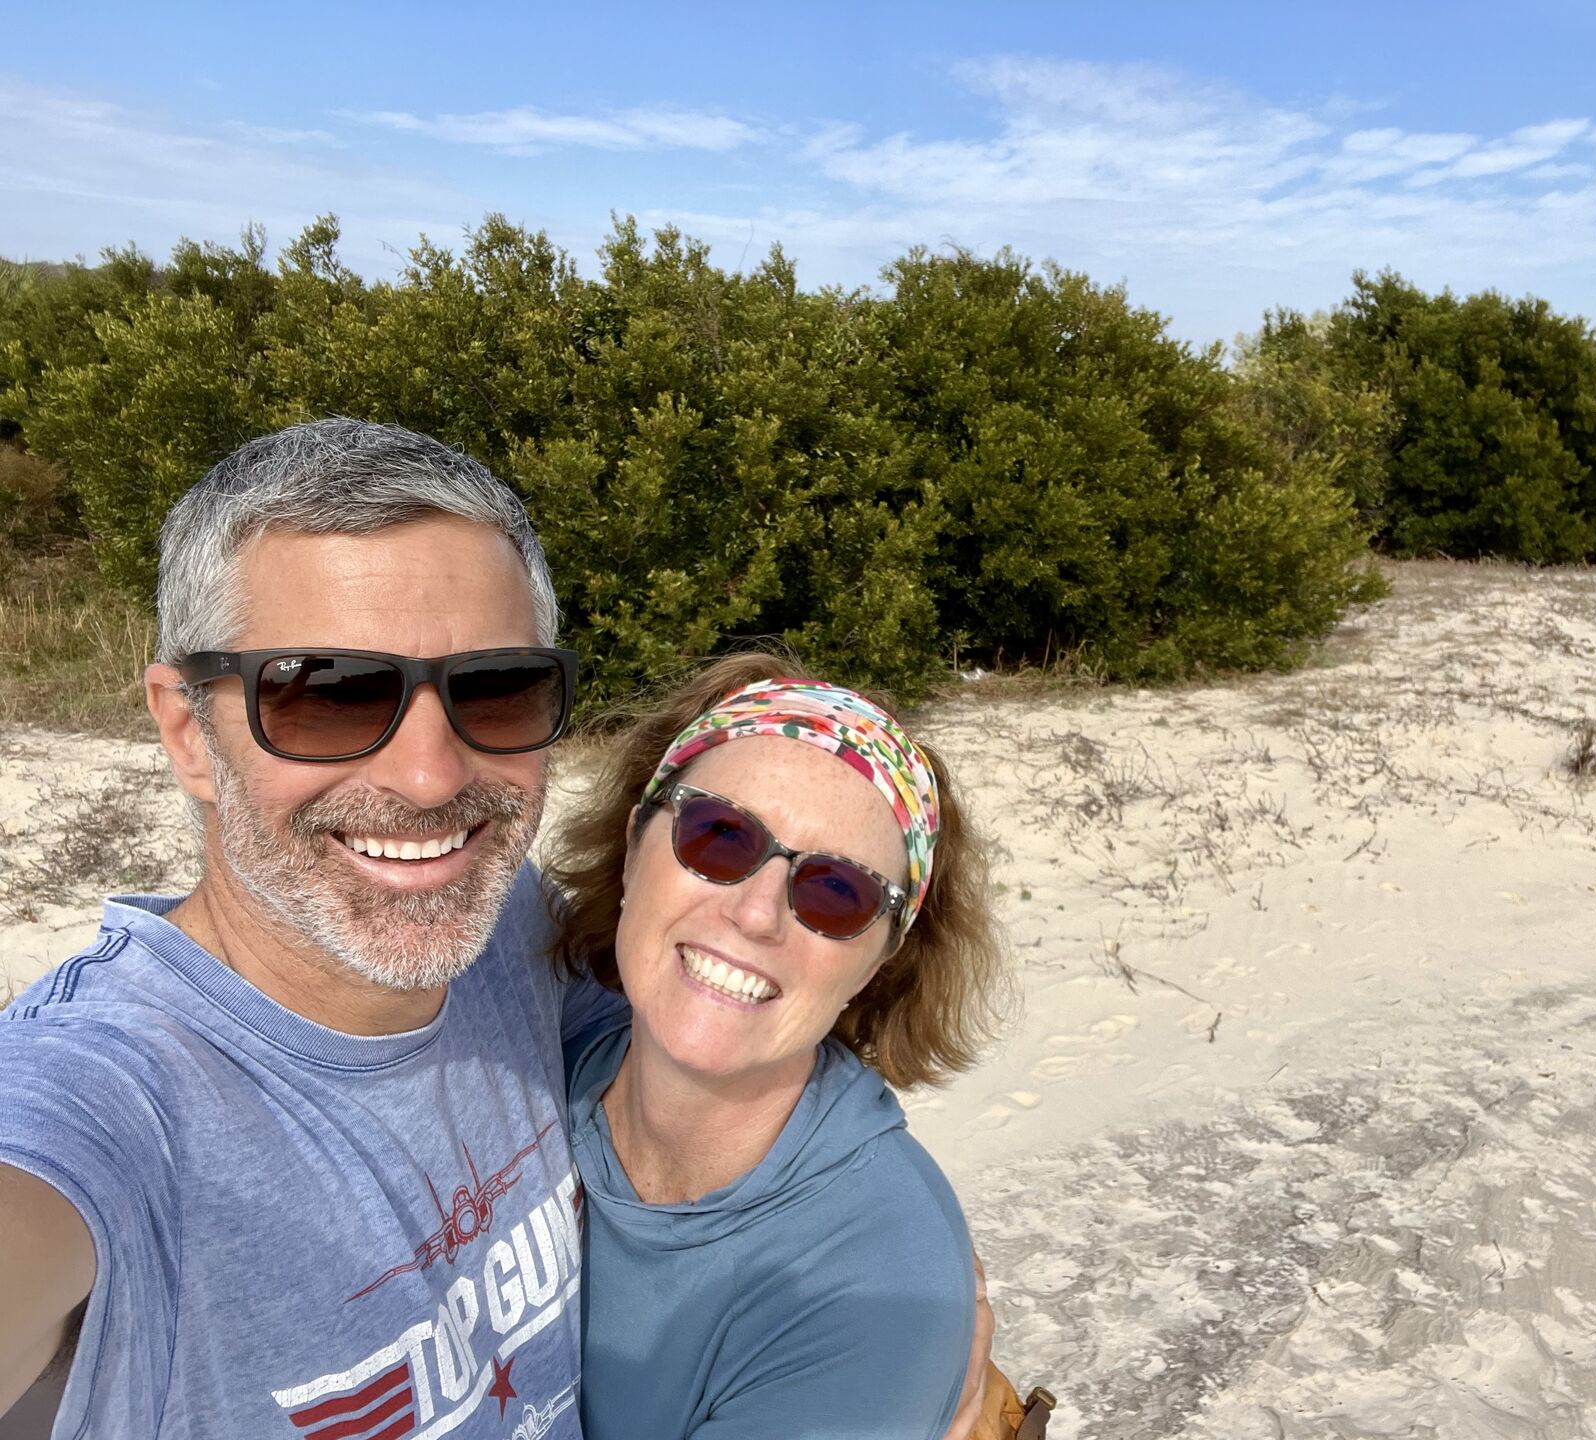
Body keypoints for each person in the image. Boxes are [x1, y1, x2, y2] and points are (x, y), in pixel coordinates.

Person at [0, 420, 990, 1440]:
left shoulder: (503, 931)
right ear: (186, 731)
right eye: (328, 695)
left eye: (493, 688)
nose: (430, 777)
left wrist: (907, 1301)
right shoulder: (101, 1102)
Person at [543, 656, 1008, 1439]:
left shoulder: (878, 1283)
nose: (758, 914)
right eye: (719, 836)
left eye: (837, 891)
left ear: (883, 955)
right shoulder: (530, 1047)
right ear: (634, 844)